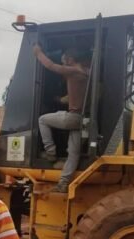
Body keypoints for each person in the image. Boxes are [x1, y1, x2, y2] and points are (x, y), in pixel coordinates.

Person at [34, 44, 91, 193]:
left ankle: (50, 153)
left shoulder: (73, 71)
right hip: (84, 121)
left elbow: (51, 66)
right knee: (73, 154)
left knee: (42, 120)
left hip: (73, 117)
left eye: (64, 60)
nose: (63, 63)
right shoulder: (86, 72)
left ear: (71, 60)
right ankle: (63, 184)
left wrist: (38, 52)